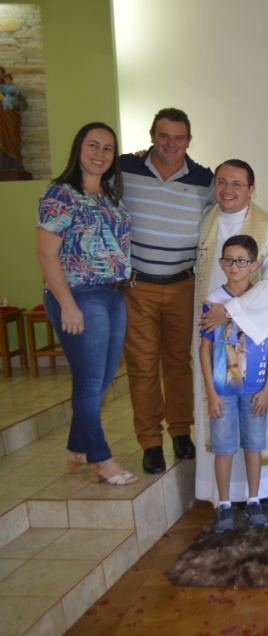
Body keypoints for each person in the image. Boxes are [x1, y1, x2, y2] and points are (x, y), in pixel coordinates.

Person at [35, 122, 137, 486]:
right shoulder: (60, 194)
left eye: (108, 148)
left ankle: (78, 446)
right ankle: (101, 457)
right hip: (79, 295)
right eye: (93, 145)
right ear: (79, 148)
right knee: (90, 381)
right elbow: (47, 255)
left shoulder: (110, 195)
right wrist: (68, 305)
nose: (100, 153)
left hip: (114, 295)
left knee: (103, 379)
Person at [120, 108, 214, 474]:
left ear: (188, 141)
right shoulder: (124, 170)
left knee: (178, 364)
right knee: (142, 367)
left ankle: (179, 432)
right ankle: (150, 441)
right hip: (137, 286)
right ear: (151, 136)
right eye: (163, 136)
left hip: (181, 286)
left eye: (178, 138)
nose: (170, 144)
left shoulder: (205, 179)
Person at [194, 159, 268, 506]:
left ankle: (260, 492)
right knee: (219, 417)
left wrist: (230, 310)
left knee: (254, 421)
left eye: (237, 184)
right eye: (222, 182)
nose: (228, 190)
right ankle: (220, 496)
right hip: (215, 347)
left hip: (255, 351)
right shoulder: (204, 224)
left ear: (251, 189)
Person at [200, 234, 268, 533]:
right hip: (223, 389)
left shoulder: (262, 300)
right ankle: (223, 505)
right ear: (221, 263)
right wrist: (210, 391)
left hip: (255, 389)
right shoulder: (214, 301)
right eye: (228, 260)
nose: (234, 266)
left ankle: (254, 500)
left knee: (254, 445)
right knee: (223, 447)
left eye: (241, 261)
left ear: (254, 265)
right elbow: (204, 348)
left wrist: (267, 388)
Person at [0, 68, 28, 171]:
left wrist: (16, 104)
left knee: (11, 141)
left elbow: (24, 104)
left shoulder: (12, 89)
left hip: (10, 119)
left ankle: (13, 166)